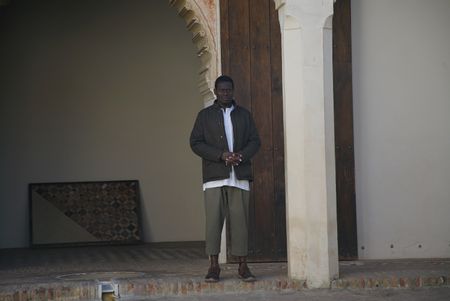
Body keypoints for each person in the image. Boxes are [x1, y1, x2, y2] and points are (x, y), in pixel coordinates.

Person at [190, 75, 261, 282]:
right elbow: (195, 142)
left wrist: (241, 156)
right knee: (213, 223)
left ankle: (243, 266)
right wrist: (221, 155)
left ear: (233, 90)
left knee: (240, 223)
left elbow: (255, 141)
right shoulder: (204, 116)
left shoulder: (244, 115)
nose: (225, 93)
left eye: (228, 89)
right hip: (214, 178)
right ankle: (213, 266)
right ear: (215, 91)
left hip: (239, 178)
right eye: (221, 90)